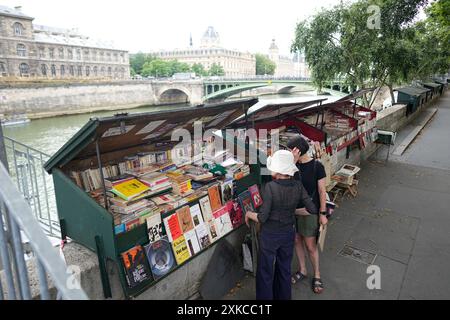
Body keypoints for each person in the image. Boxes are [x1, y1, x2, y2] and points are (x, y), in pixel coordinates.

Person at [245, 150, 317, 300]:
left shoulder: (270, 187)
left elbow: (263, 217)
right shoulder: (298, 185)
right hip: (288, 234)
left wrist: (249, 214)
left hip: (270, 235)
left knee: (265, 271)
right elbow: (312, 209)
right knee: (284, 269)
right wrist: (291, 211)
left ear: (276, 170)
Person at [287, 135, 328, 294]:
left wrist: (322, 213)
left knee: (311, 245)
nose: (290, 152)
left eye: (291, 149)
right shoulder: (292, 166)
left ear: (298, 149)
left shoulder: (317, 166)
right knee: (296, 240)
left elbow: (322, 191)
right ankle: (303, 270)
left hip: (309, 211)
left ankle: (317, 274)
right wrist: (292, 163)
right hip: (293, 210)